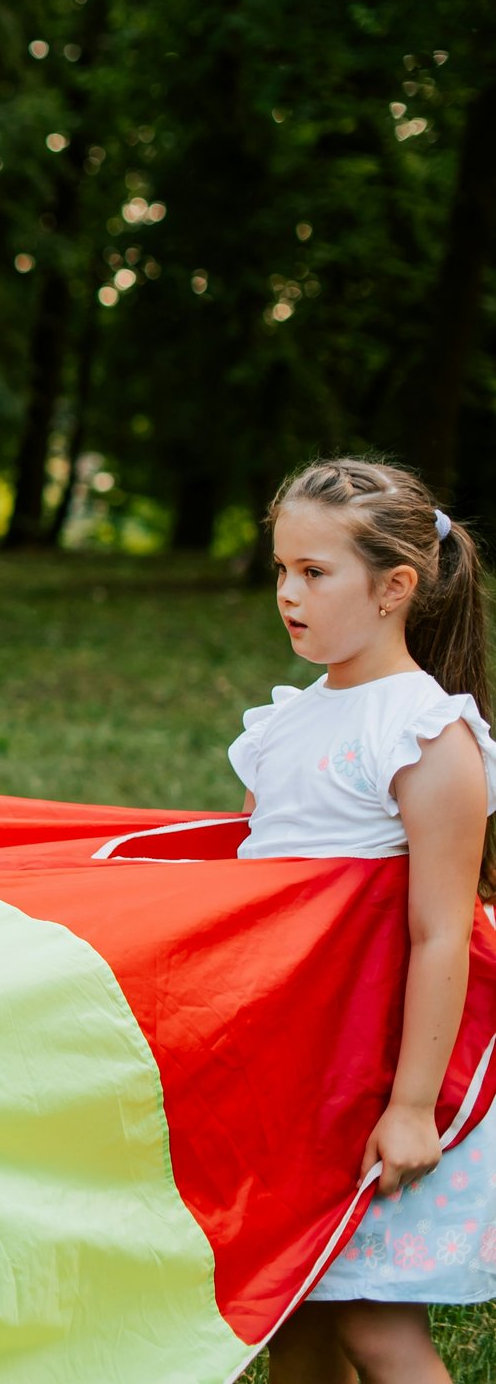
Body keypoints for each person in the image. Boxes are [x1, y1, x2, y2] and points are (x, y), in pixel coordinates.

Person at [242, 461, 496, 1384]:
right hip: (300, 1071)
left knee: (375, 1326)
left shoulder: (424, 735)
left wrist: (412, 1106)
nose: (286, 593)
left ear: (395, 588)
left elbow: (442, 930)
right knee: (296, 1318)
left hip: (385, 1076)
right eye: (280, 569)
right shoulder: (281, 728)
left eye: (315, 573)